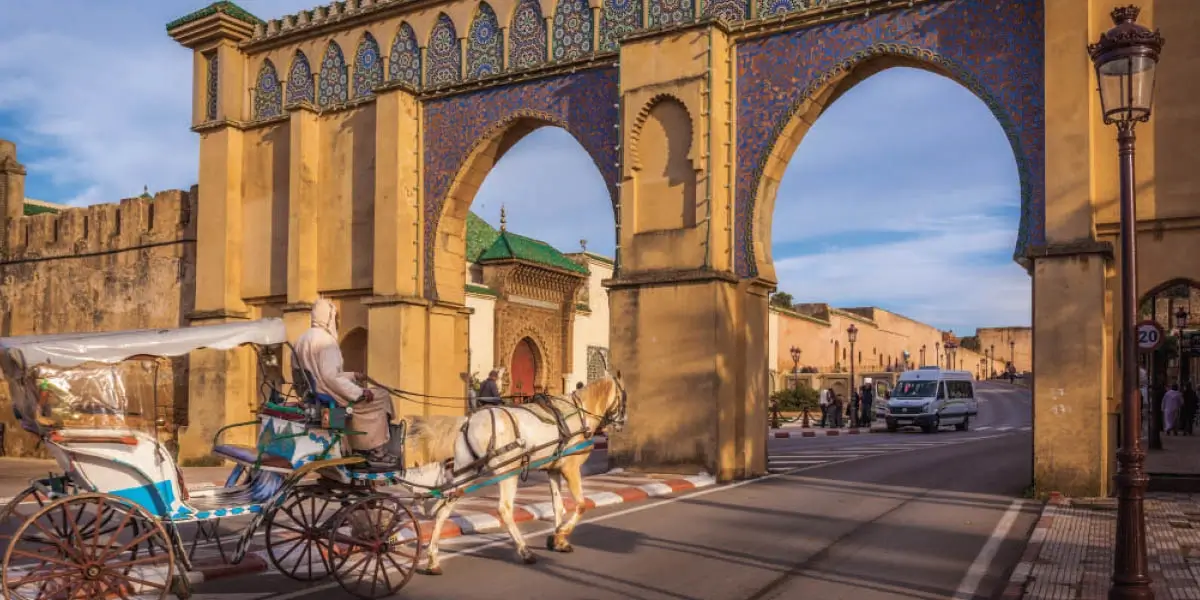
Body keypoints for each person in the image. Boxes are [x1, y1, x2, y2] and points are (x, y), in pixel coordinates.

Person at [295, 298, 396, 466]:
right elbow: (330, 377)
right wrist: (359, 392)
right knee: (382, 397)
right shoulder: (326, 342)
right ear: (327, 317)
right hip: (329, 395)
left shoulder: (302, 339)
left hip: (317, 392)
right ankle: (374, 450)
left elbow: (324, 374)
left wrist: (354, 376)